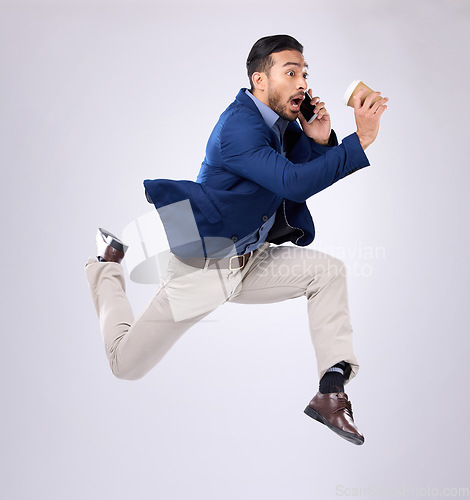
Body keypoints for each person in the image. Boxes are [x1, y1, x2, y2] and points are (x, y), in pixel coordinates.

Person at [86, 34, 388, 445]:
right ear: (260, 80)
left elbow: (300, 172)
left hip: (251, 262)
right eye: (291, 72)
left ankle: (330, 392)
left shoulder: (280, 125)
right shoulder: (238, 128)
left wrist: (318, 140)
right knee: (125, 365)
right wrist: (361, 141)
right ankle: (106, 264)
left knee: (328, 273)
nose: (302, 83)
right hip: (202, 270)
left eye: (304, 73)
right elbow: (292, 182)